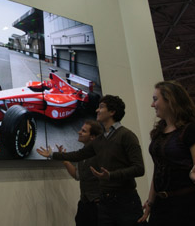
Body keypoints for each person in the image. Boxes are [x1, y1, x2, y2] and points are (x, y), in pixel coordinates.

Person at [37, 95, 145, 226]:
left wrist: (111, 175)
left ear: (112, 112)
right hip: (106, 203)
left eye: (101, 107)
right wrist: (52, 155)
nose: (97, 111)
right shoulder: (100, 141)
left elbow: (139, 169)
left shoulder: (126, 135)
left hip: (126, 201)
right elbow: (79, 155)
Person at [138, 81, 195, 225]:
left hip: (189, 207)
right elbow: (158, 169)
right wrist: (150, 202)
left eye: (155, 99)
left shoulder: (192, 130)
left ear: (170, 100)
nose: (153, 105)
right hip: (162, 207)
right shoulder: (159, 133)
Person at [58, 119, 102, 226]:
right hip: (84, 203)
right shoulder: (83, 154)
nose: (79, 132)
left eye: (83, 131)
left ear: (92, 137)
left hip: (98, 205)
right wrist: (64, 159)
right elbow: (77, 175)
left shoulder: (100, 154)